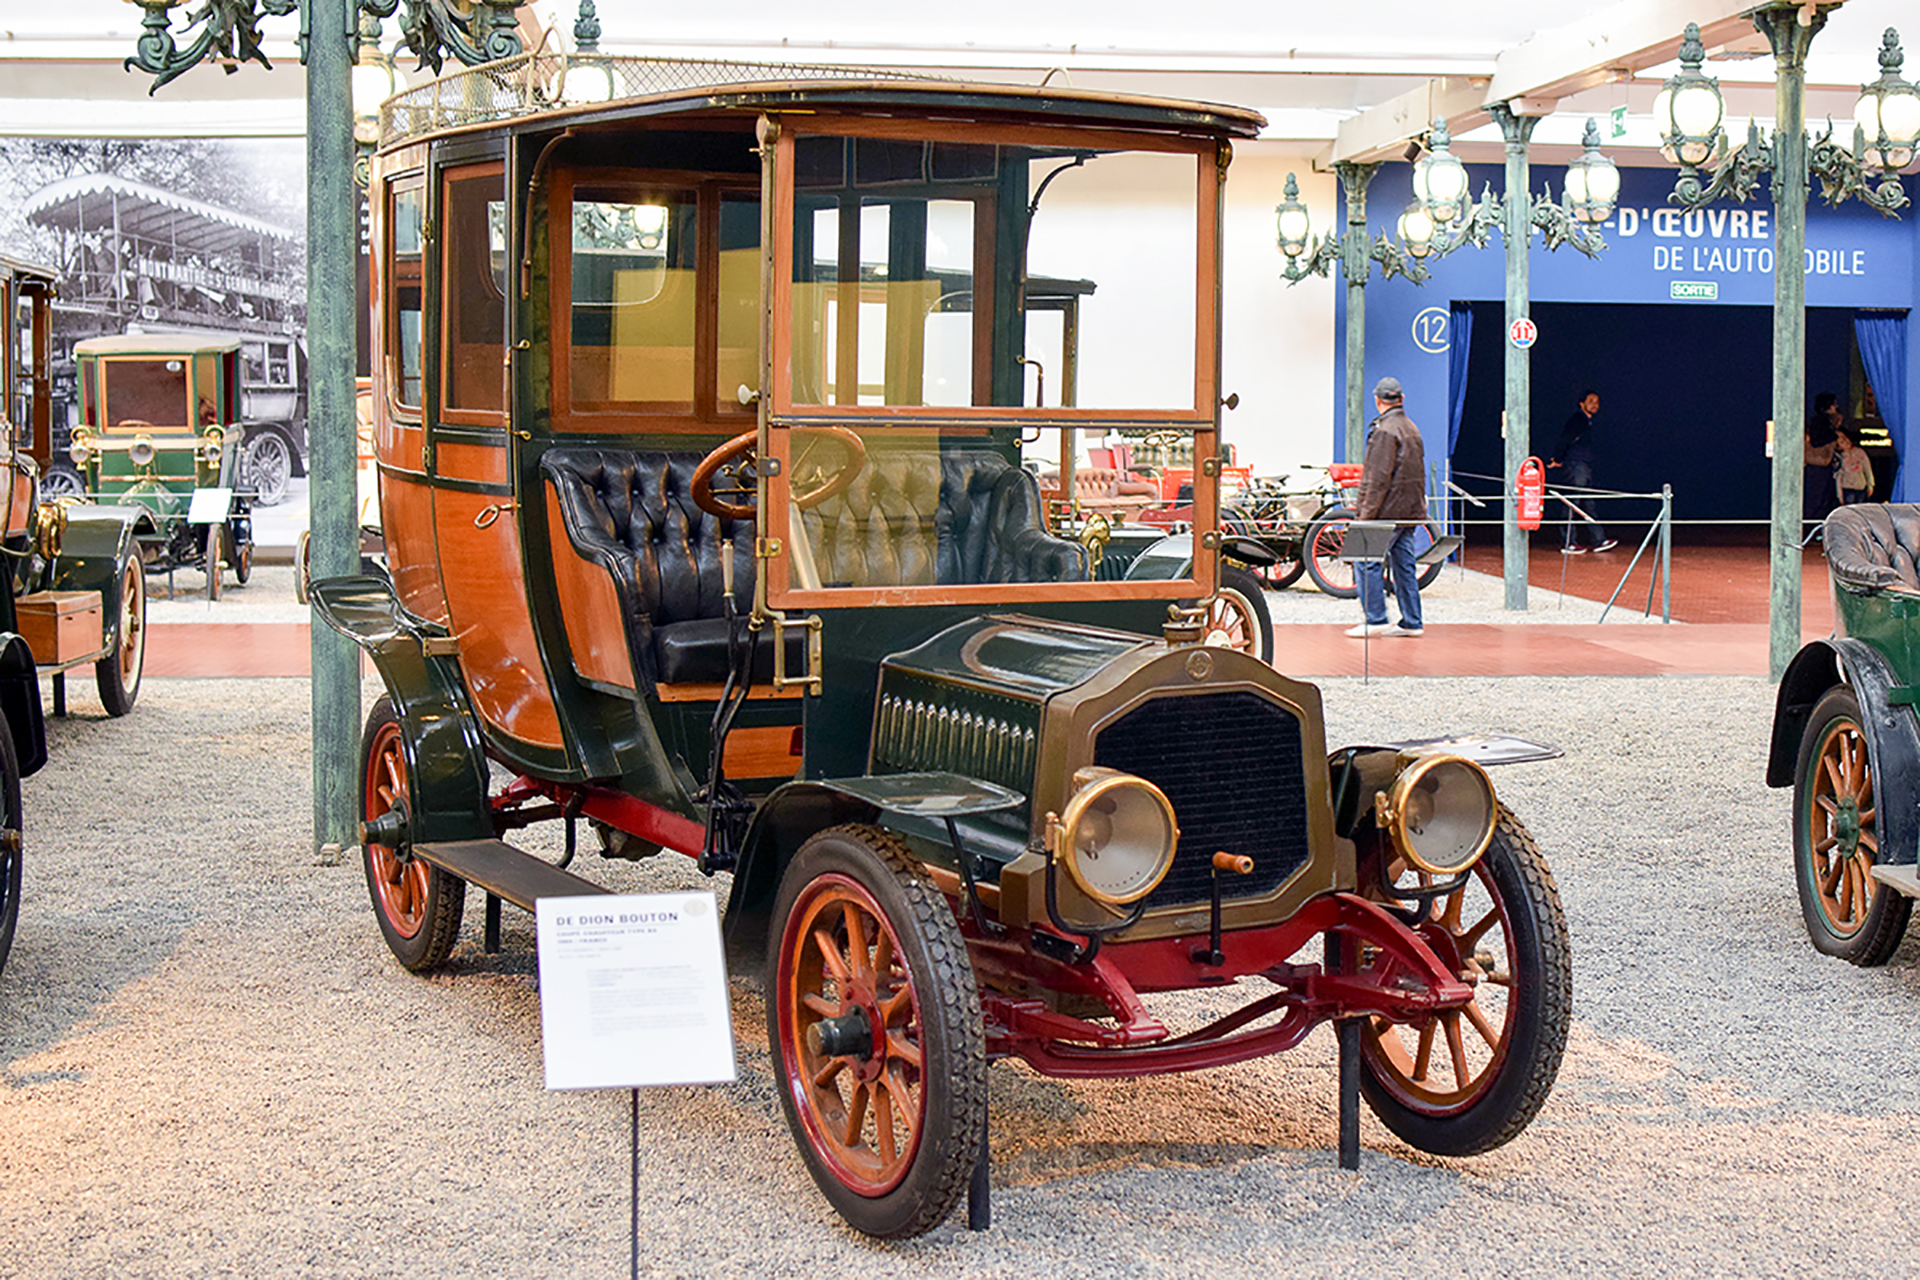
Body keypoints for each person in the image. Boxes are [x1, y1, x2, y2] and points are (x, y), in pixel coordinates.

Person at [1345, 376, 1426, 639]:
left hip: (1386, 510)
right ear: (1401, 399)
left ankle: (1376, 617)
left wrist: (1363, 515)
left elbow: (1376, 478)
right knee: (1404, 565)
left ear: (1377, 400)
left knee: (1363, 558)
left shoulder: (1383, 430)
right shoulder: (1412, 428)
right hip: (1409, 510)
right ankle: (1412, 621)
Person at [1547, 389, 1617, 554]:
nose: (1595, 405)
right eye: (1591, 401)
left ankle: (1599, 540)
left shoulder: (1586, 421)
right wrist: (1558, 459)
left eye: (1597, 402)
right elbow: (1564, 439)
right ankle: (1568, 542)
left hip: (1583, 466)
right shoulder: (1578, 419)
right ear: (1581, 403)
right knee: (1572, 503)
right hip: (1576, 466)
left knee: (1588, 504)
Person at [1804, 391, 1843, 527]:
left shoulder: (1825, 421)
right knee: (1818, 498)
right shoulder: (1821, 422)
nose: (1836, 406)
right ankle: (1807, 528)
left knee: (1824, 498)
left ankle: (1813, 528)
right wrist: (1835, 435)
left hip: (1823, 465)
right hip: (1818, 466)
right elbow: (1817, 441)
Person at [1834, 423, 1874, 506]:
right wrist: (1840, 496)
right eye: (1842, 442)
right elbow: (1838, 478)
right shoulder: (1840, 458)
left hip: (1861, 486)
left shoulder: (1859, 453)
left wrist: (1870, 484)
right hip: (1847, 488)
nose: (1846, 442)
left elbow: (1867, 468)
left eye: (1845, 439)